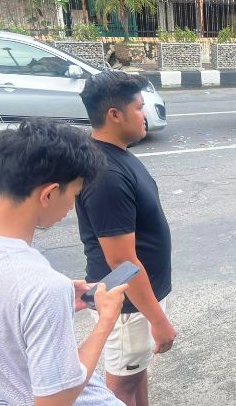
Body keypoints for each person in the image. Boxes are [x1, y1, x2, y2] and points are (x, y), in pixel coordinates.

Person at [0, 119, 127, 406]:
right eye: (75, 195)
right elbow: (56, 400)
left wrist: (50, 305)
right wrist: (106, 322)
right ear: (49, 194)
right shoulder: (40, 285)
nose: (73, 207)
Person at [76, 72, 177, 406]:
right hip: (127, 304)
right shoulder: (106, 175)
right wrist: (158, 320)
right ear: (114, 115)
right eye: (138, 107)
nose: (144, 114)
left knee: (136, 376)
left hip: (137, 298)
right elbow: (120, 260)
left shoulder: (115, 154)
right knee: (120, 388)